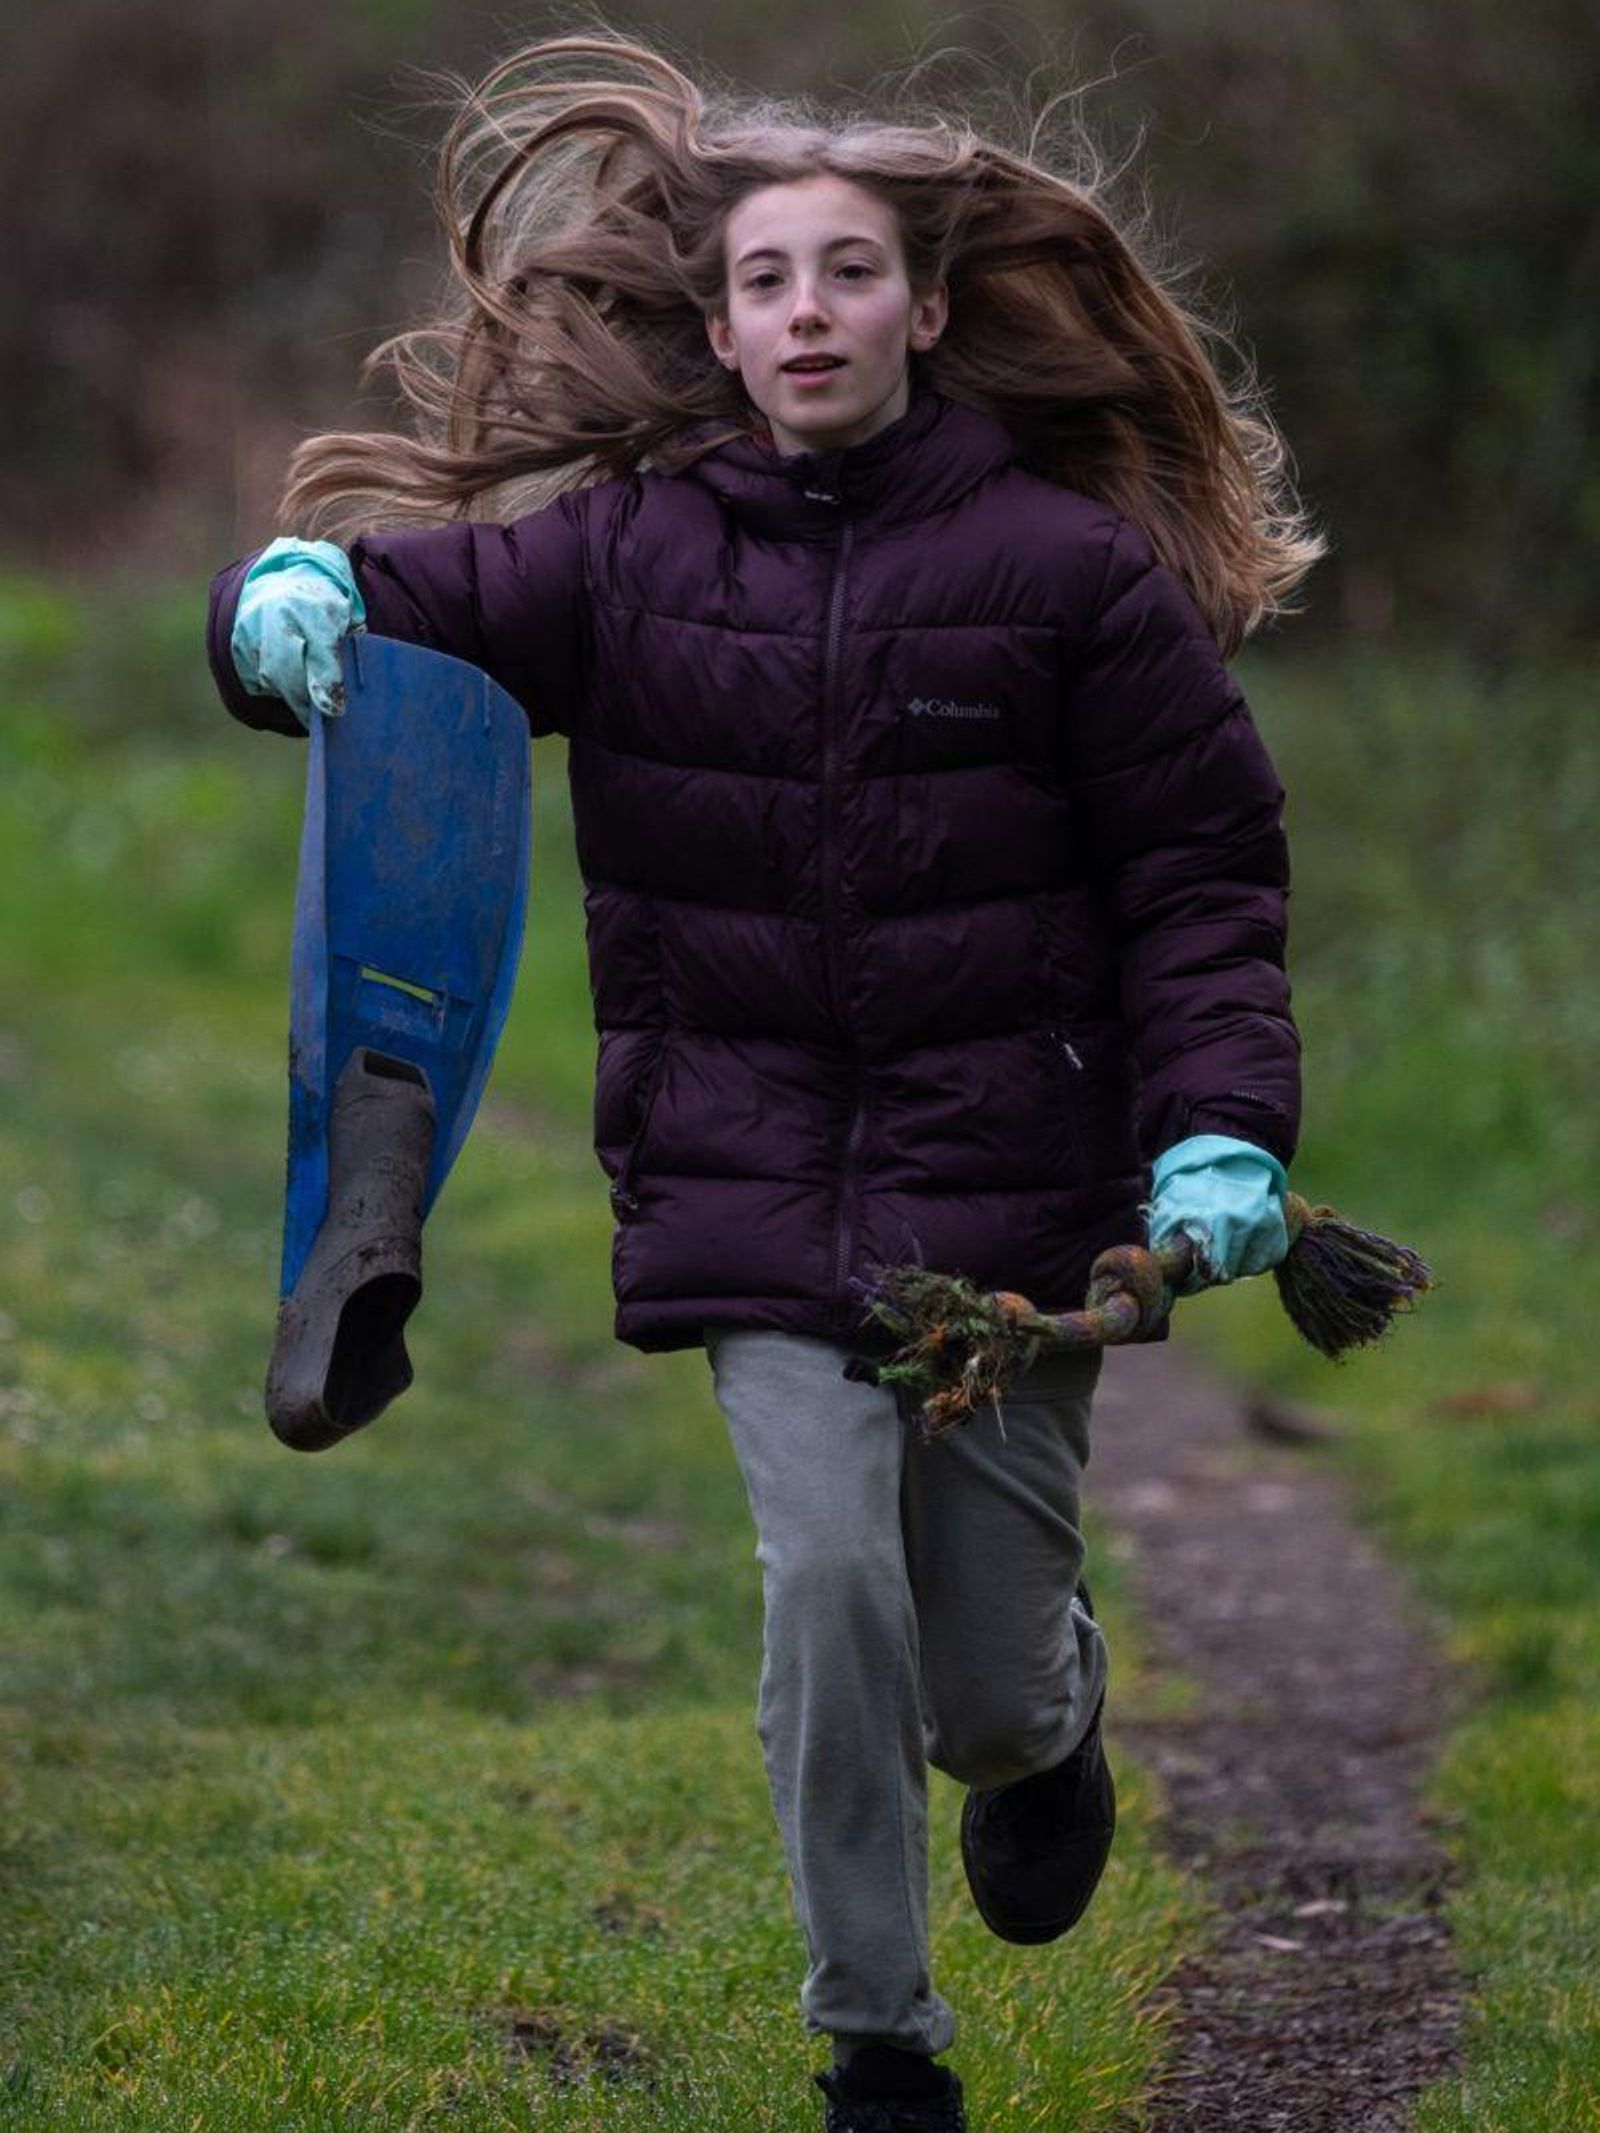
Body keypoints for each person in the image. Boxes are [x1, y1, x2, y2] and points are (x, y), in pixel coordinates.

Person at [205, 30, 1315, 2130]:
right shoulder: (623, 557)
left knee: (975, 1687)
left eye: (847, 275)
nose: (805, 313)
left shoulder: (1066, 580)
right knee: (825, 1588)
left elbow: (1198, 874)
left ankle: (1053, 1717)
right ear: (713, 327)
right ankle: (875, 2048)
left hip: (1007, 1197)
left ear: (922, 308)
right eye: (766, 282)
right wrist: (283, 603)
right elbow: (396, 626)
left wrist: (1219, 1122)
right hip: (744, 1179)